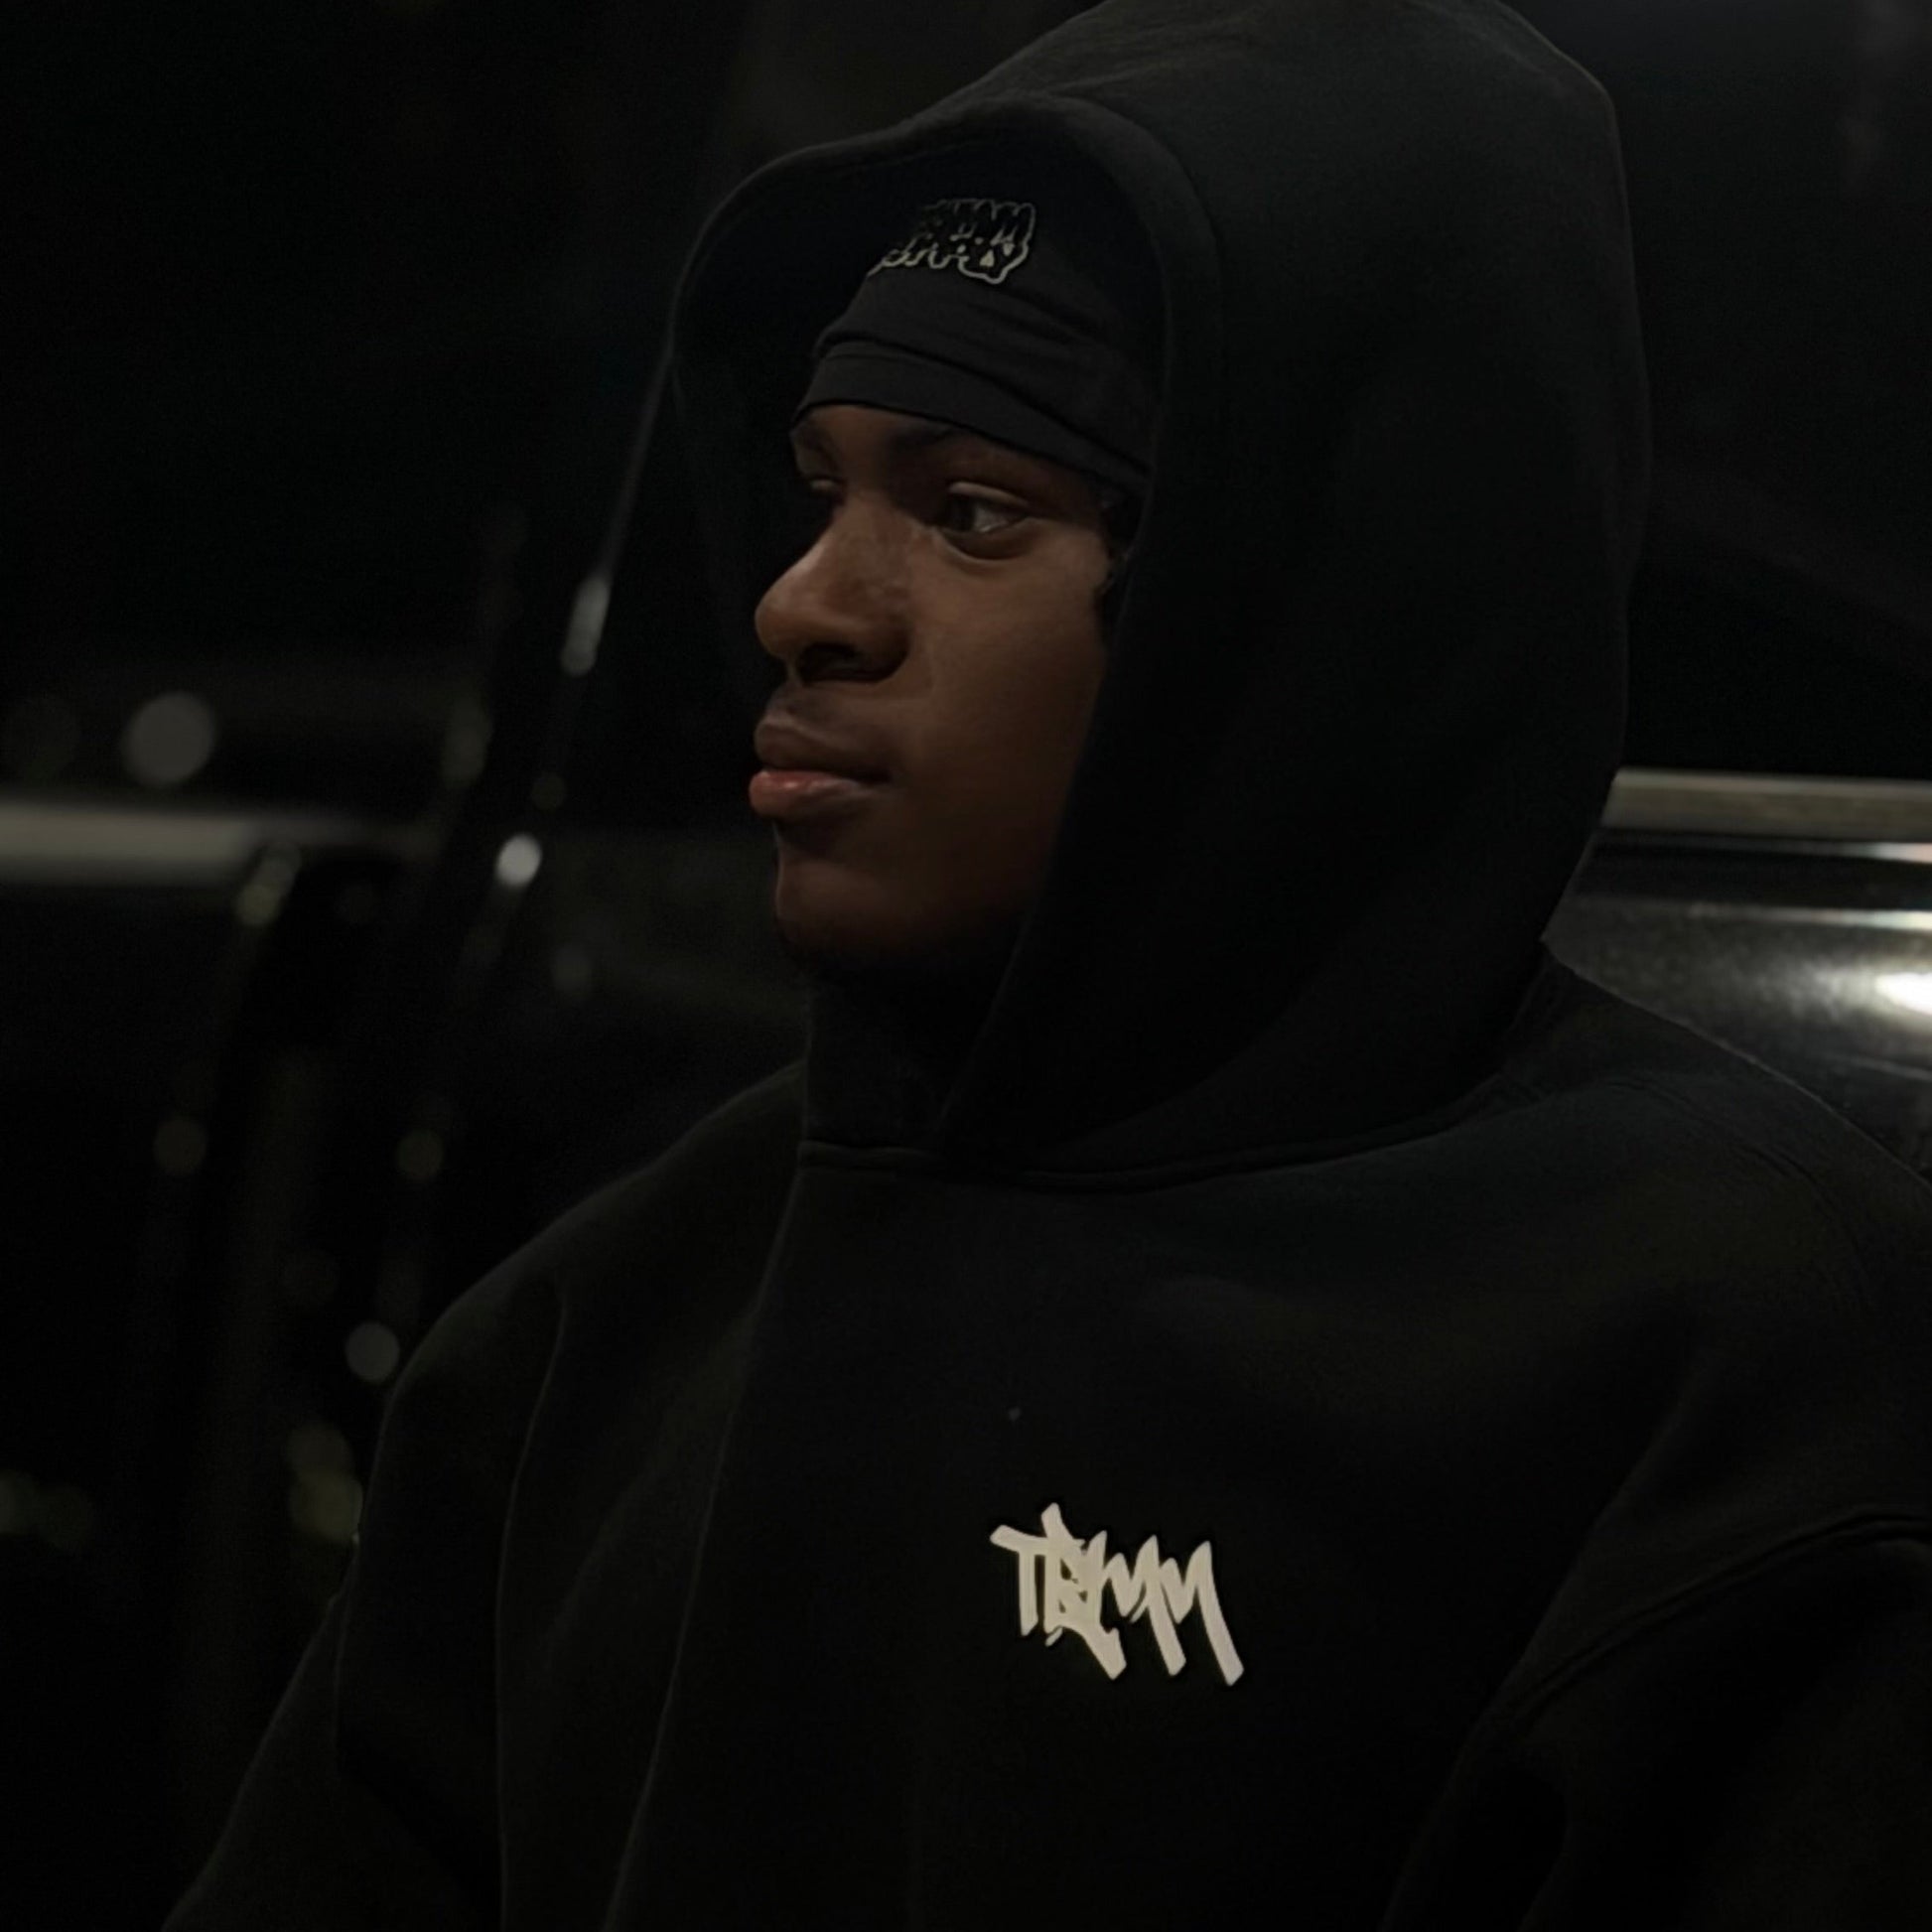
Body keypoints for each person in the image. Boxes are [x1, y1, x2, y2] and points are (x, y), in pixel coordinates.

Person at [168, 1, 1932, 1926]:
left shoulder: (1731, 1379)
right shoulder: (616, 1320)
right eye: (821, 487)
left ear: (1285, 609)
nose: (803, 601)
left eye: (969, 511)